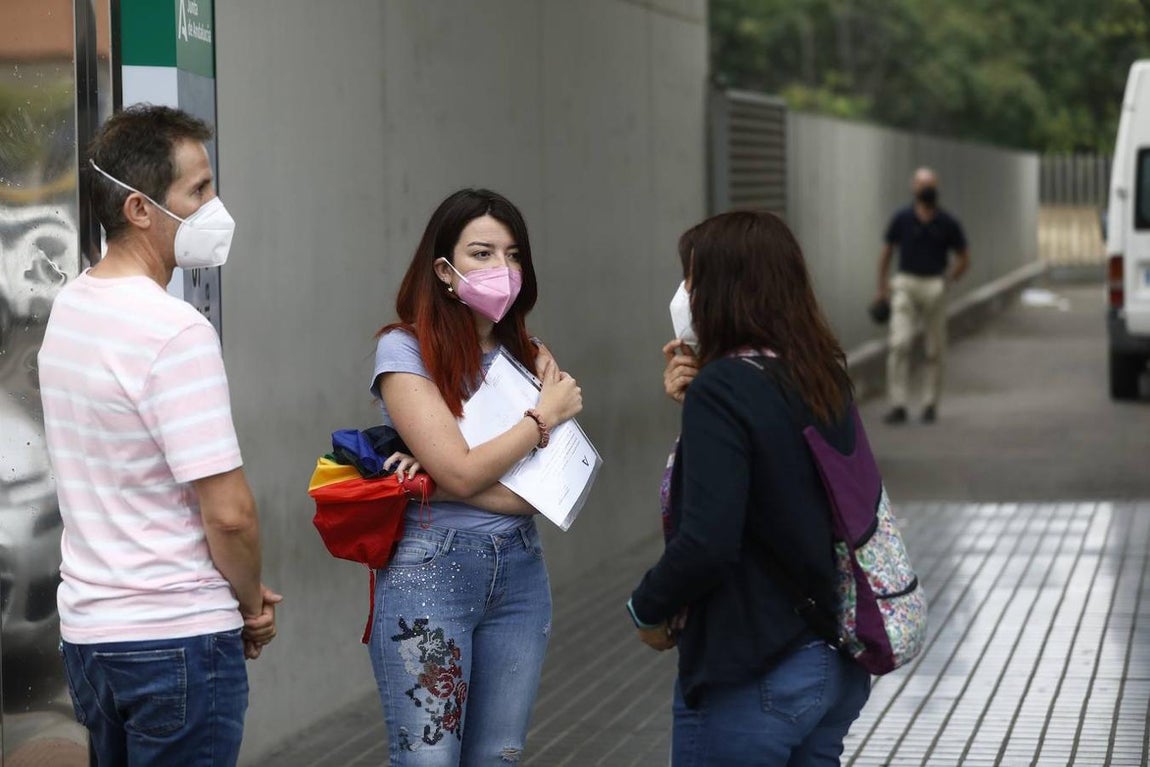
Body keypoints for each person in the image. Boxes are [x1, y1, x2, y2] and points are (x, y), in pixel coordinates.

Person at [38, 104, 281, 766]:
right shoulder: (174, 330)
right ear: (141, 209)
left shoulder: (70, 311)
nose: (215, 206)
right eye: (198, 190)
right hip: (177, 639)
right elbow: (229, 514)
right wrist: (250, 603)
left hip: (92, 638)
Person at [630, 210, 871, 767]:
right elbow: (779, 486)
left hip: (755, 670)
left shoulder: (724, 388)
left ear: (725, 288)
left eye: (690, 280)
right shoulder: (818, 373)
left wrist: (646, 608)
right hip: (830, 659)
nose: (683, 295)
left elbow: (709, 540)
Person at [368, 188, 583, 765]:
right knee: (428, 757)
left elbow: (548, 491)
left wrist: (437, 479)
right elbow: (466, 473)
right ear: (444, 269)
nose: (502, 270)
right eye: (482, 254)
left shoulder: (529, 354)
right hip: (430, 570)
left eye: (513, 256)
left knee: (499, 756)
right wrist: (543, 418)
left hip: (520, 572)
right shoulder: (404, 350)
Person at [876, 167, 970, 424]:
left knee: (935, 348)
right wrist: (881, 289)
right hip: (906, 283)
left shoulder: (947, 222)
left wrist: (949, 280)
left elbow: (964, 257)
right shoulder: (902, 218)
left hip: (934, 284)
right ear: (913, 187)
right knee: (899, 343)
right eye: (921, 183)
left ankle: (930, 403)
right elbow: (886, 253)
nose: (926, 188)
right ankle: (898, 403)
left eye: (930, 184)